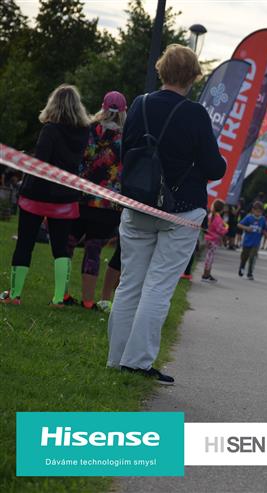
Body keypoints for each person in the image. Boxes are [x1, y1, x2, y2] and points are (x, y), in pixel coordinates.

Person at [106, 44, 226, 384]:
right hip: (181, 209)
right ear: (193, 77)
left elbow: (126, 152)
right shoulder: (195, 114)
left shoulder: (139, 104)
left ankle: (116, 358)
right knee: (158, 286)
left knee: (130, 283)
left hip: (138, 202)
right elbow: (213, 167)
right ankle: (137, 362)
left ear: (161, 70)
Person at [1, 84, 89, 306]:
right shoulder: (83, 133)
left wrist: (25, 160)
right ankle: (59, 298)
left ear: (53, 104)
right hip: (65, 197)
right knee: (61, 248)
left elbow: (41, 162)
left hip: (37, 195)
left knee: (25, 244)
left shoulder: (50, 130)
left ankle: (15, 294)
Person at [66, 91, 127, 310]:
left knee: (67, 245)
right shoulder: (126, 138)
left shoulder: (88, 130)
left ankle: (61, 294)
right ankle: (88, 301)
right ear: (124, 112)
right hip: (107, 205)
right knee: (93, 251)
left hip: (80, 198)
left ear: (102, 107)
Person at [237, 201, 267, 280]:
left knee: (252, 257)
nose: (258, 213)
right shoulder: (249, 217)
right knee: (244, 257)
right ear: (253, 210)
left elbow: (264, 230)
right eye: (257, 211)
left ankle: (250, 273)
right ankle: (242, 267)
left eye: (260, 211)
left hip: (256, 243)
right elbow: (239, 225)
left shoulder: (262, 219)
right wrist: (246, 228)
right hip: (247, 242)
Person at [201, 199, 227, 283]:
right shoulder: (217, 218)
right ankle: (205, 275)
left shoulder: (210, 215)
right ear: (221, 209)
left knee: (209, 257)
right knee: (210, 258)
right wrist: (226, 228)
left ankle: (207, 274)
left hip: (208, 238)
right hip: (213, 240)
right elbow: (220, 230)